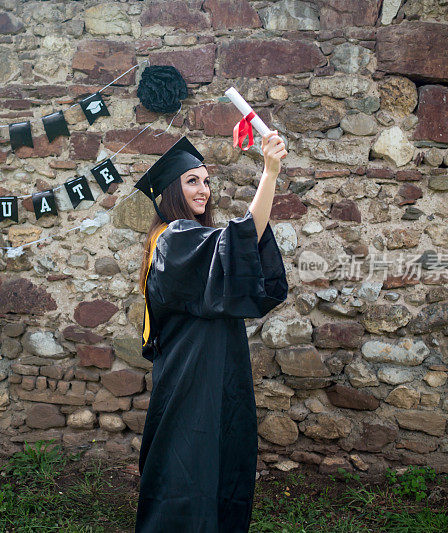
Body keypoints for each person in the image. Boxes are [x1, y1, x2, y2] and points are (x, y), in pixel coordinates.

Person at [132, 133, 289, 532]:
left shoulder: (185, 238)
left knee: (218, 464)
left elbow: (237, 257)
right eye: (192, 181)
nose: (203, 190)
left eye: (206, 181)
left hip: (216, 372)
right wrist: (269, 173)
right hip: (193, 377)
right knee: (186, 472)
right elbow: (239, 242)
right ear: (171, 190)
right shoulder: (172, 239)